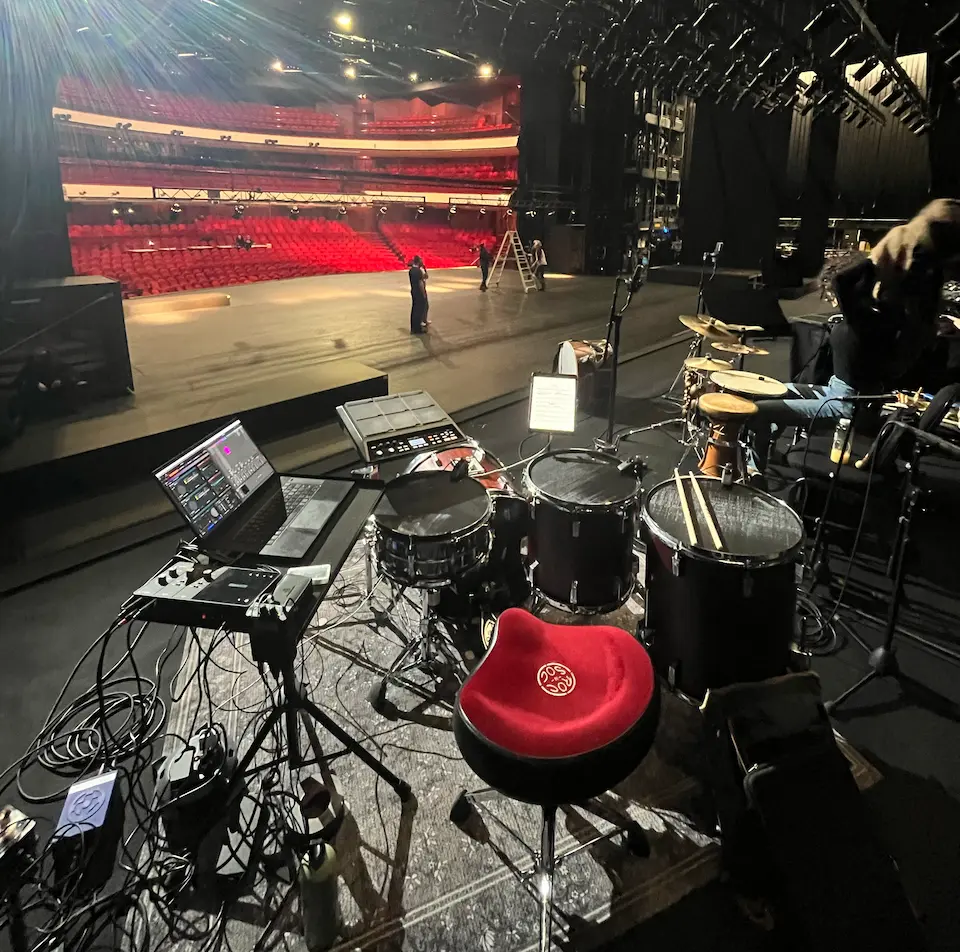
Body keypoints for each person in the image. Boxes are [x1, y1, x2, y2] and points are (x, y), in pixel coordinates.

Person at [746, 199, 960, 473]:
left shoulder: (872, 318)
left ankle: (755, 476)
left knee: (757, 411)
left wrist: (885, 253)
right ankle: (769, 457)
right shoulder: (903, 319)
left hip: (846, 406)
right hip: (847, 394)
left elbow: (842, 281)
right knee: (775, 392)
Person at [408, 255, 430, 334]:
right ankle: (418, 329)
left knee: (414, 310)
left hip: (413, 291)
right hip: (419, 292)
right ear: (418, 261)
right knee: (419, 310)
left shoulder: (411, 270)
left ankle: (413, 328)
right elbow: (420, 283)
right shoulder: (418, 271)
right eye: (421, 260)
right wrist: (423, 293)